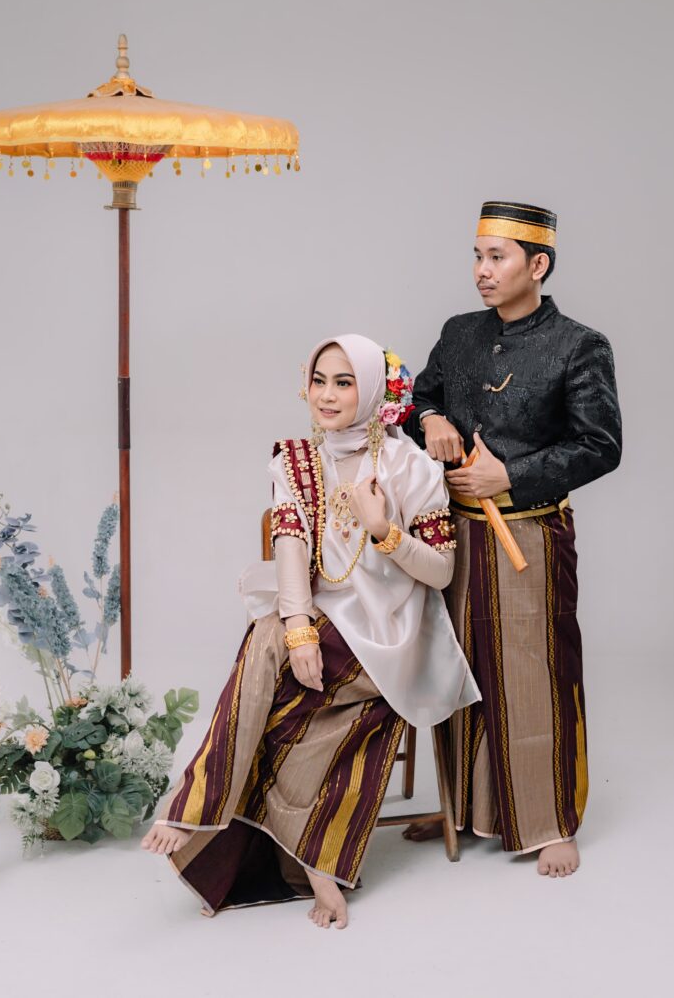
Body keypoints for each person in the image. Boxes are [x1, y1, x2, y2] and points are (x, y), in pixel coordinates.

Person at [141, 334, 479, 927]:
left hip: (393, 637)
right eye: (319, 380)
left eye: (344, 383)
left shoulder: (412, 467)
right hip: (325, 626)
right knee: (271, 632)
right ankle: (310, 863)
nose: (326, 395)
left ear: (371, 391)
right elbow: (290, 547)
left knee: (267, 666)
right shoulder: (295, 460)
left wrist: (383, 529)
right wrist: (298, 628)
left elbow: (442, 571)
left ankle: (198, 802)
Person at [405, 200, 622, 878]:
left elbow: (601, 445)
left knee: (533, 672)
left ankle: (549, 820)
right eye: (478, 256)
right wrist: (432, 418)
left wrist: (511, 475)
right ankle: (463, 809)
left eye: (496, 258)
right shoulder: (459, 332)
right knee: (456, 666)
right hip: (452, 535)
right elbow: (419, 397)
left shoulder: (580, 345)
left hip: (529, 533)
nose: (482, 270)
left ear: (538, 264)